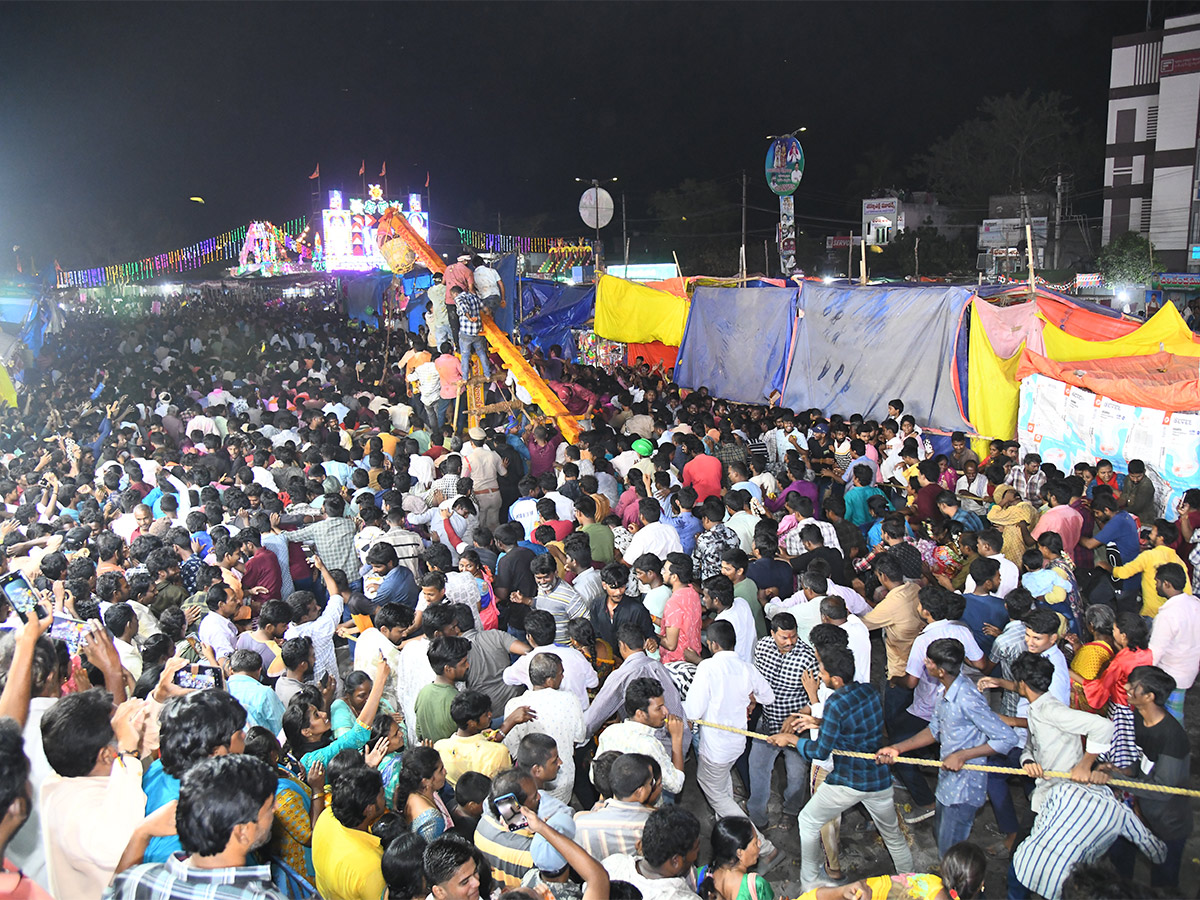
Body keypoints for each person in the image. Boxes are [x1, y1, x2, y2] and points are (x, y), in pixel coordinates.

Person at [765, 646, 913, 892]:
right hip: (879, 779)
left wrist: (791, 740)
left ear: (836, 679)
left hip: (848, 781)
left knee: (808, 820)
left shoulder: (835, 702)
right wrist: (819, 721)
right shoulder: (870, 691)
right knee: (894, 836)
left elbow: (820, 752)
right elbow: (852, 725)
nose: (820, 677)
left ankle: (811, 884)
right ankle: (912, 883)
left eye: (822, 673)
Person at [877, 638, 1017, 855]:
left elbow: (1007, 738)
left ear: (940, 670)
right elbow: (934, 730)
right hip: (948, 783)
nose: (925, 663)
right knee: (941, 835)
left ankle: (957, 887)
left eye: (929, 661)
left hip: (964, 788)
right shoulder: (946, 691)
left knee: (950, 850)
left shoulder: (968, 699)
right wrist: (898, 748)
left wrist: (963, 755)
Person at [104, 754, 288, 900]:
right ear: (242, 832)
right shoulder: (263, 897)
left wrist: (141, 833)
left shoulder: (138, 881)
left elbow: (114, 891)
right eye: (269, 807)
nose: (276, 808)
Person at [682, 621, 781, 873]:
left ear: (712, 644)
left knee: (714, 791)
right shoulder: (746, 668)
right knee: (722, 786)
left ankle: (765, 847)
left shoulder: (708, 667)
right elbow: (768, 696)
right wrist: (750, 698)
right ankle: (727, 835)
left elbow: (693, 710)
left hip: (716, 746)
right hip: (737, 743)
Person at [1102, 665, 1192, 890]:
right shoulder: (1139, 718)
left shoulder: (1172, 737)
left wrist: (1114, 778)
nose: (1126, 688)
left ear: (1149, 696)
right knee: (1120, 860)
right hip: (1141, 812)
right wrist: (1126, 771)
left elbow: (1162, 790)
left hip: (1167, 823)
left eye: (1133, 687)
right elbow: (1144, 759)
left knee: (1164, 882)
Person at [1009, 781, 1166, 900]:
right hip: (1063, 881)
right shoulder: (1121, 813)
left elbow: (1040, 822)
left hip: (1025, 861)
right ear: (1119, 791)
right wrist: (1141, 818)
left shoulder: (1063, 788)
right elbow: (1157, 853)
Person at [746, 611, 818, 828]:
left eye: (793, 637)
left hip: (796, 729)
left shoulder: (807, 657)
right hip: (767, 722)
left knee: (796, 774)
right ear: (772, 633)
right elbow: (757, 679)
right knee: (756, 768)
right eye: (784, 637)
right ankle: (757, 816)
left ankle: (791, 811)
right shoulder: (762, 647)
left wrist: (798, 715)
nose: (790, 642)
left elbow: (817, 696)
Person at [583, 622, 688, 752]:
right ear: (644, 643)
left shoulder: (621, 675)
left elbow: (594, 716)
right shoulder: (658, 667)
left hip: (650, 748)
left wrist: (580, 735)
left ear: (622, 645)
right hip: (680, 741)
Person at [1073, 611, 1153, 768]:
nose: (1112, 632)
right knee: (1133, 745)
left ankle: (1118, 777)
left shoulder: (1122, 660)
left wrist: (1074, 676)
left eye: (1115, 630)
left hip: (1121, 709)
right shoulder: (1147, 653)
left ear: (1123, 636)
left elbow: (1101, 686)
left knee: (1119, 747)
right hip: (1139, 707)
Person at [502, 653, 585, 804]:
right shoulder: (570, 699)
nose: (563, 677)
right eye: (561, 674)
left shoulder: (514, 706)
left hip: (528, 785)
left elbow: (512, 750)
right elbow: (579, 737)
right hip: (564, 781)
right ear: (550, 681)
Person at [595, 677, 687, 798]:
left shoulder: (609, 733)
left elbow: (595, 776)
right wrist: (676, 738)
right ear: (640, 714)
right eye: (659, 708)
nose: (666, 711)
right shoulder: (649, 745)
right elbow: (676, 785)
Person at [312, 765, 388, 900]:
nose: (385, 798)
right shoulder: (371, 867)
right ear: (369, 810)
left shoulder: (326, 816)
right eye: (382, 794)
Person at [600, 805, 702, 900]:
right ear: (675, 861)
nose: (698, 851)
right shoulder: (684, 897)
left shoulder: (612, 864)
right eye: (695, 848)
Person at [1094, 518, 1189, 618]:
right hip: (1172, 615)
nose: (1149, 535)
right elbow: (1187, 592)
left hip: (1150, 613)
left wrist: (1107, 567)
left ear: (1160, 538)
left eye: (1152, 533)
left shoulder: (1149, 556)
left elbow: (1124, 573)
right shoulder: (1179, 561)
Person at [572, 753, 656, 861]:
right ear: (640, 792)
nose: (652, 785)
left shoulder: (580, 824)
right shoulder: (652, 824)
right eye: (650, 783)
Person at [1146, 562, 1200, 720]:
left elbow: (1155, 654)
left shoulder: (1167, 615)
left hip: (1170, 675)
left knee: (1171, 718)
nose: (1156, 585)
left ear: (1166, 584)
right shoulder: (1195, 604)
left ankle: (1175, 743)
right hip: (1189, 669)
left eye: (1157, 582)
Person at [697, 816, 774, 900]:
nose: (759, 843)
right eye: (755, 843)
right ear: (740, 853)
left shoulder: (700, 874)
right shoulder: (756, 885)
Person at [415, 635, 472, 743]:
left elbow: (419, 734)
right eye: (463, 663)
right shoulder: (458, 701)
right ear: (448, 669)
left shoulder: (423, 693)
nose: (468, 665)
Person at [226, 648, 286, 734]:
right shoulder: (265, 693)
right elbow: (281, 729)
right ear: (259, 671)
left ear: (230, 670)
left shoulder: (219, 692)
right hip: (264, 745)